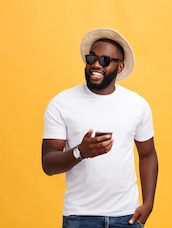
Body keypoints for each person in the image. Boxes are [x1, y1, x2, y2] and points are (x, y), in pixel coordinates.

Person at [41, 28, 159, 228]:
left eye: (105, 60)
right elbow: (48, 163)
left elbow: (147, 155)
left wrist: (148, 203)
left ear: (120, 66)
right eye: (91, 58)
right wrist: (80, 152)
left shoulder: (137, 105)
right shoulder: (62, 103)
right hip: (79, 216)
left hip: (126, 216)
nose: (96, 64)